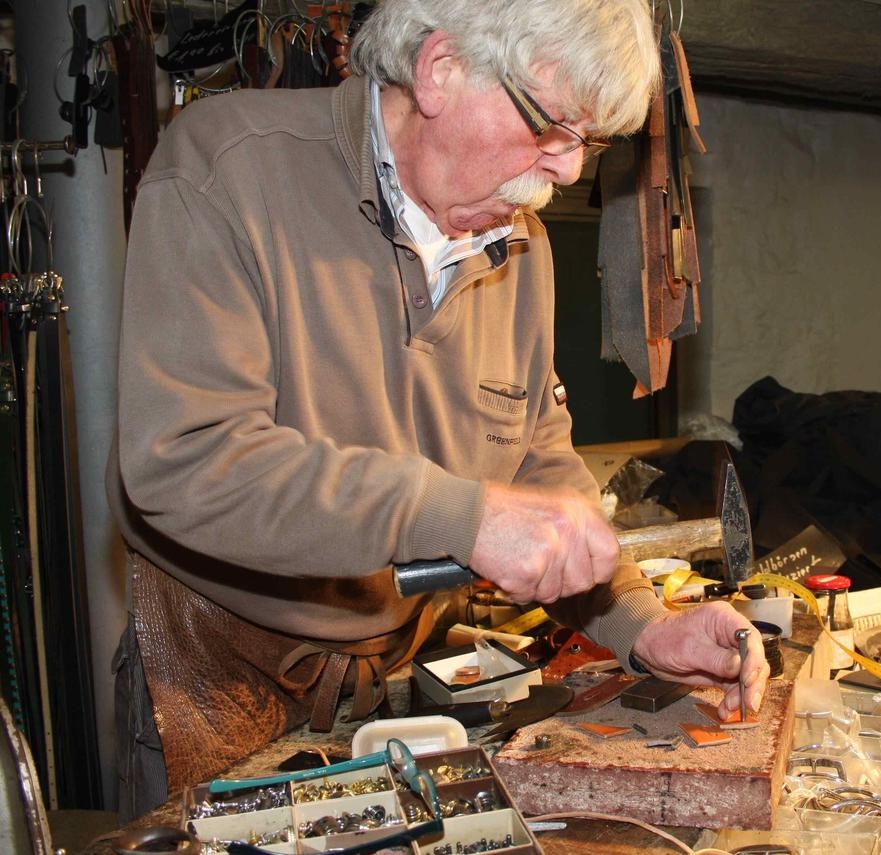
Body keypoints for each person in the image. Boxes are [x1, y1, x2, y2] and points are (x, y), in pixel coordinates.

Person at [108, 0, 765, 820]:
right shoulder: (227, 171)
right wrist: (461, 512)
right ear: (440, 68)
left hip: (399, 695)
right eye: (550, 127)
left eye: (587, 145)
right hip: (224, 687)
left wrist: (640, 622)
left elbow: (537, 462)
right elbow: (185, 462)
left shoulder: (523, 246)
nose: (565, 172)